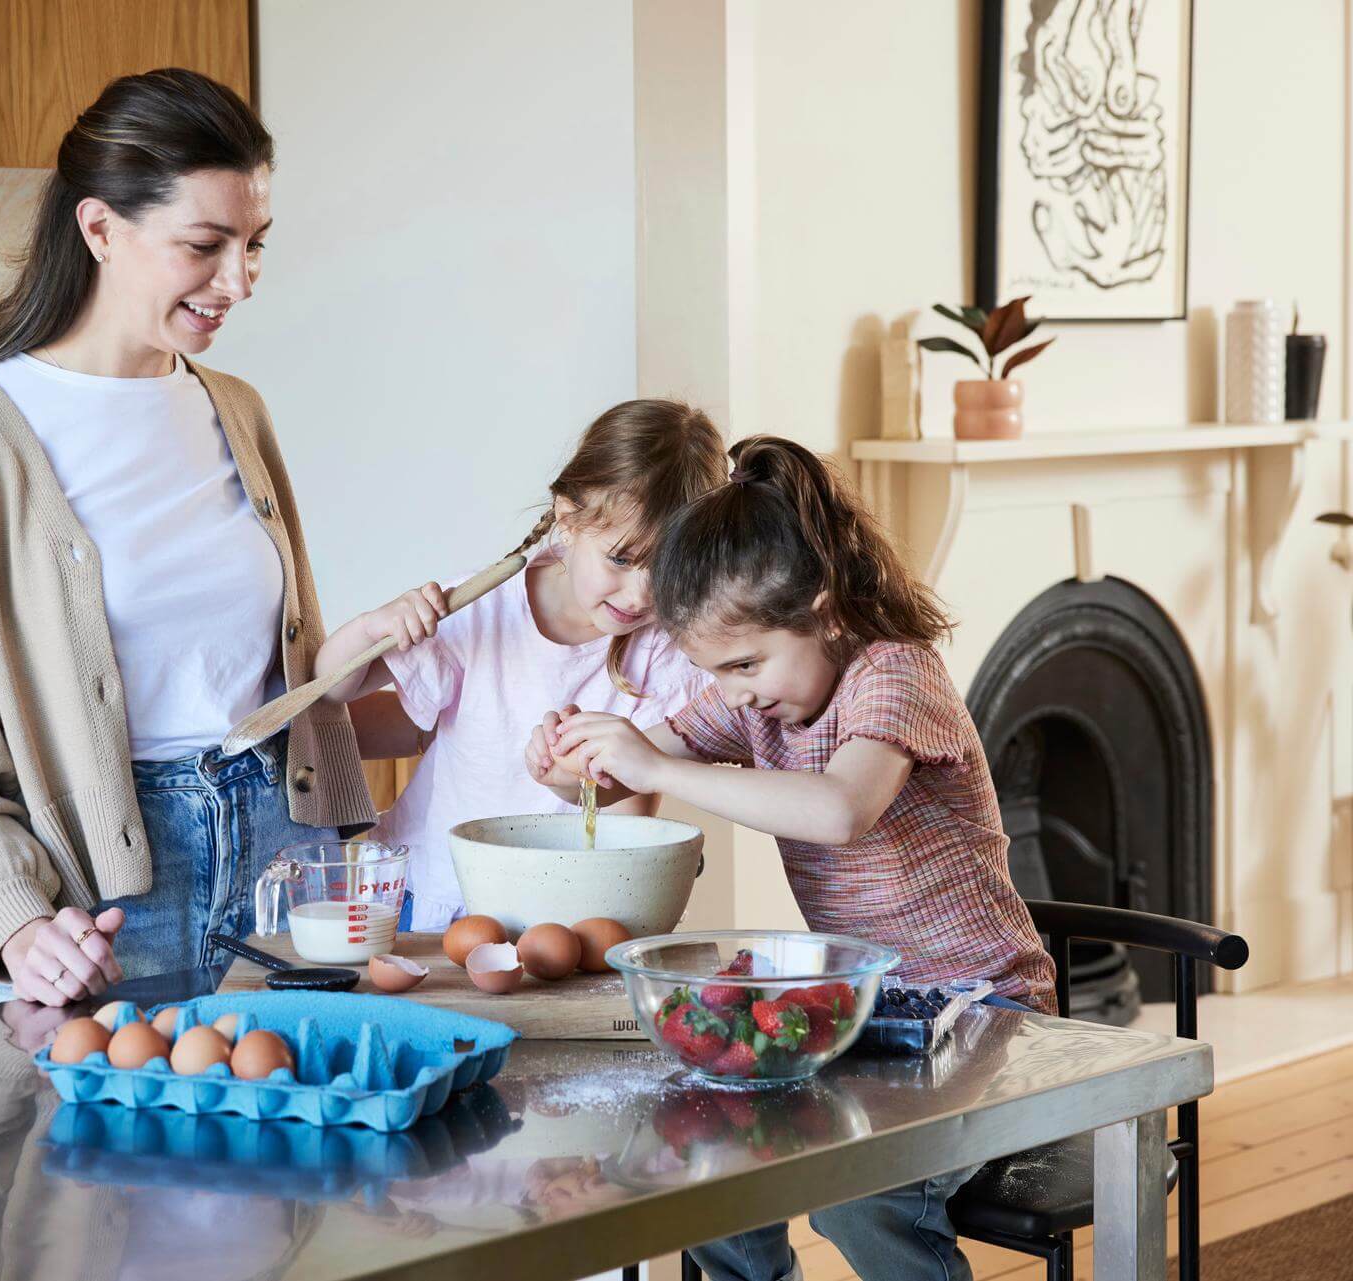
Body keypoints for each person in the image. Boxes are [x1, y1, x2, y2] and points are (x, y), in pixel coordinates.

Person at [0, 69, 375, 1008]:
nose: (239, 281)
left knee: (322, 1142)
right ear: (100, 229)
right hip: (104, 903)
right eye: (205, 246)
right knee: (123, 1158)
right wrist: (14, 916)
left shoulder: (236, 411)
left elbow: (266, 669)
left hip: (286, 865)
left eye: (255, 245)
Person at [537, 435, 1057, 1281]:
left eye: (744, 663)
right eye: (717, 670)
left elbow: (841, 810)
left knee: (861, 1192)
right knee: (702, 1142)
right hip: (863, 1015)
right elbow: (628, 758)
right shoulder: (758, 701)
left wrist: (657, 765)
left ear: (821, 606)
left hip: (986, 1013)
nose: (736, 690)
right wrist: (568, 759)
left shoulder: (895, 674)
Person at [314, 399, 727, 931]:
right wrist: (373, 627)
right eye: (621, 559)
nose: (641, 593)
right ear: (568, 518)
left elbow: (627, 830)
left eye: (668, 570)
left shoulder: (669, 654)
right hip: (429, 895)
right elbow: (331, 687)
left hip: (556, 915)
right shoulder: (483, 604)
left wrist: (580, 787)